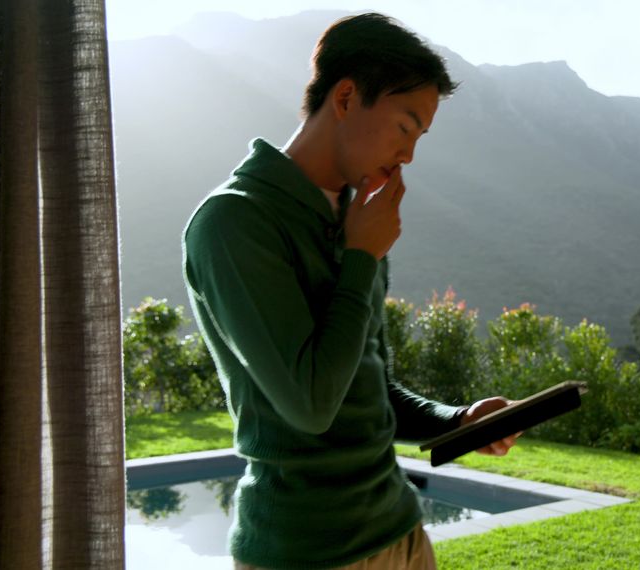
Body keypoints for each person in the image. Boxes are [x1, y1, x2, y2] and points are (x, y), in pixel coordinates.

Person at [182, 13, 519, 570]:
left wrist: (454, 421)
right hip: (306, 552)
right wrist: (362, 256)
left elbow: (365, 386)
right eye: (405, 126)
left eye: (420, 136)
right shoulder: (234, 223)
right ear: (345, 97)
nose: (409, 154)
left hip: (401, 534)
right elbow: (312, 405)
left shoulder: (352, 216)